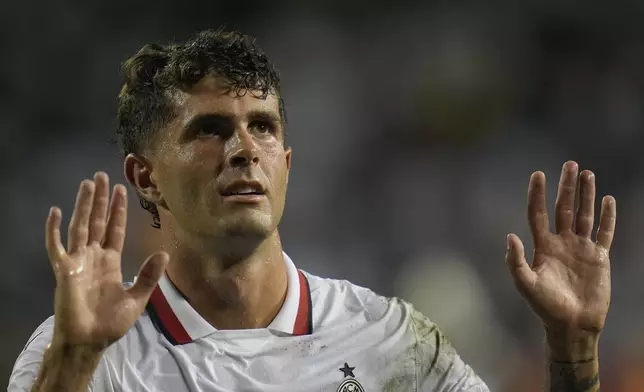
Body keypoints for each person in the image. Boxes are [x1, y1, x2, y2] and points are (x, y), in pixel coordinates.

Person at [8, 29, 615, 392]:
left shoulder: (388, 337)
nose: (244, 150)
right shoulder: (88, 355)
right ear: (145, 176)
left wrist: (573, 350)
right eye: (210, 130)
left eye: (262, 128)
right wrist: (75, 363)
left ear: (288, 165)